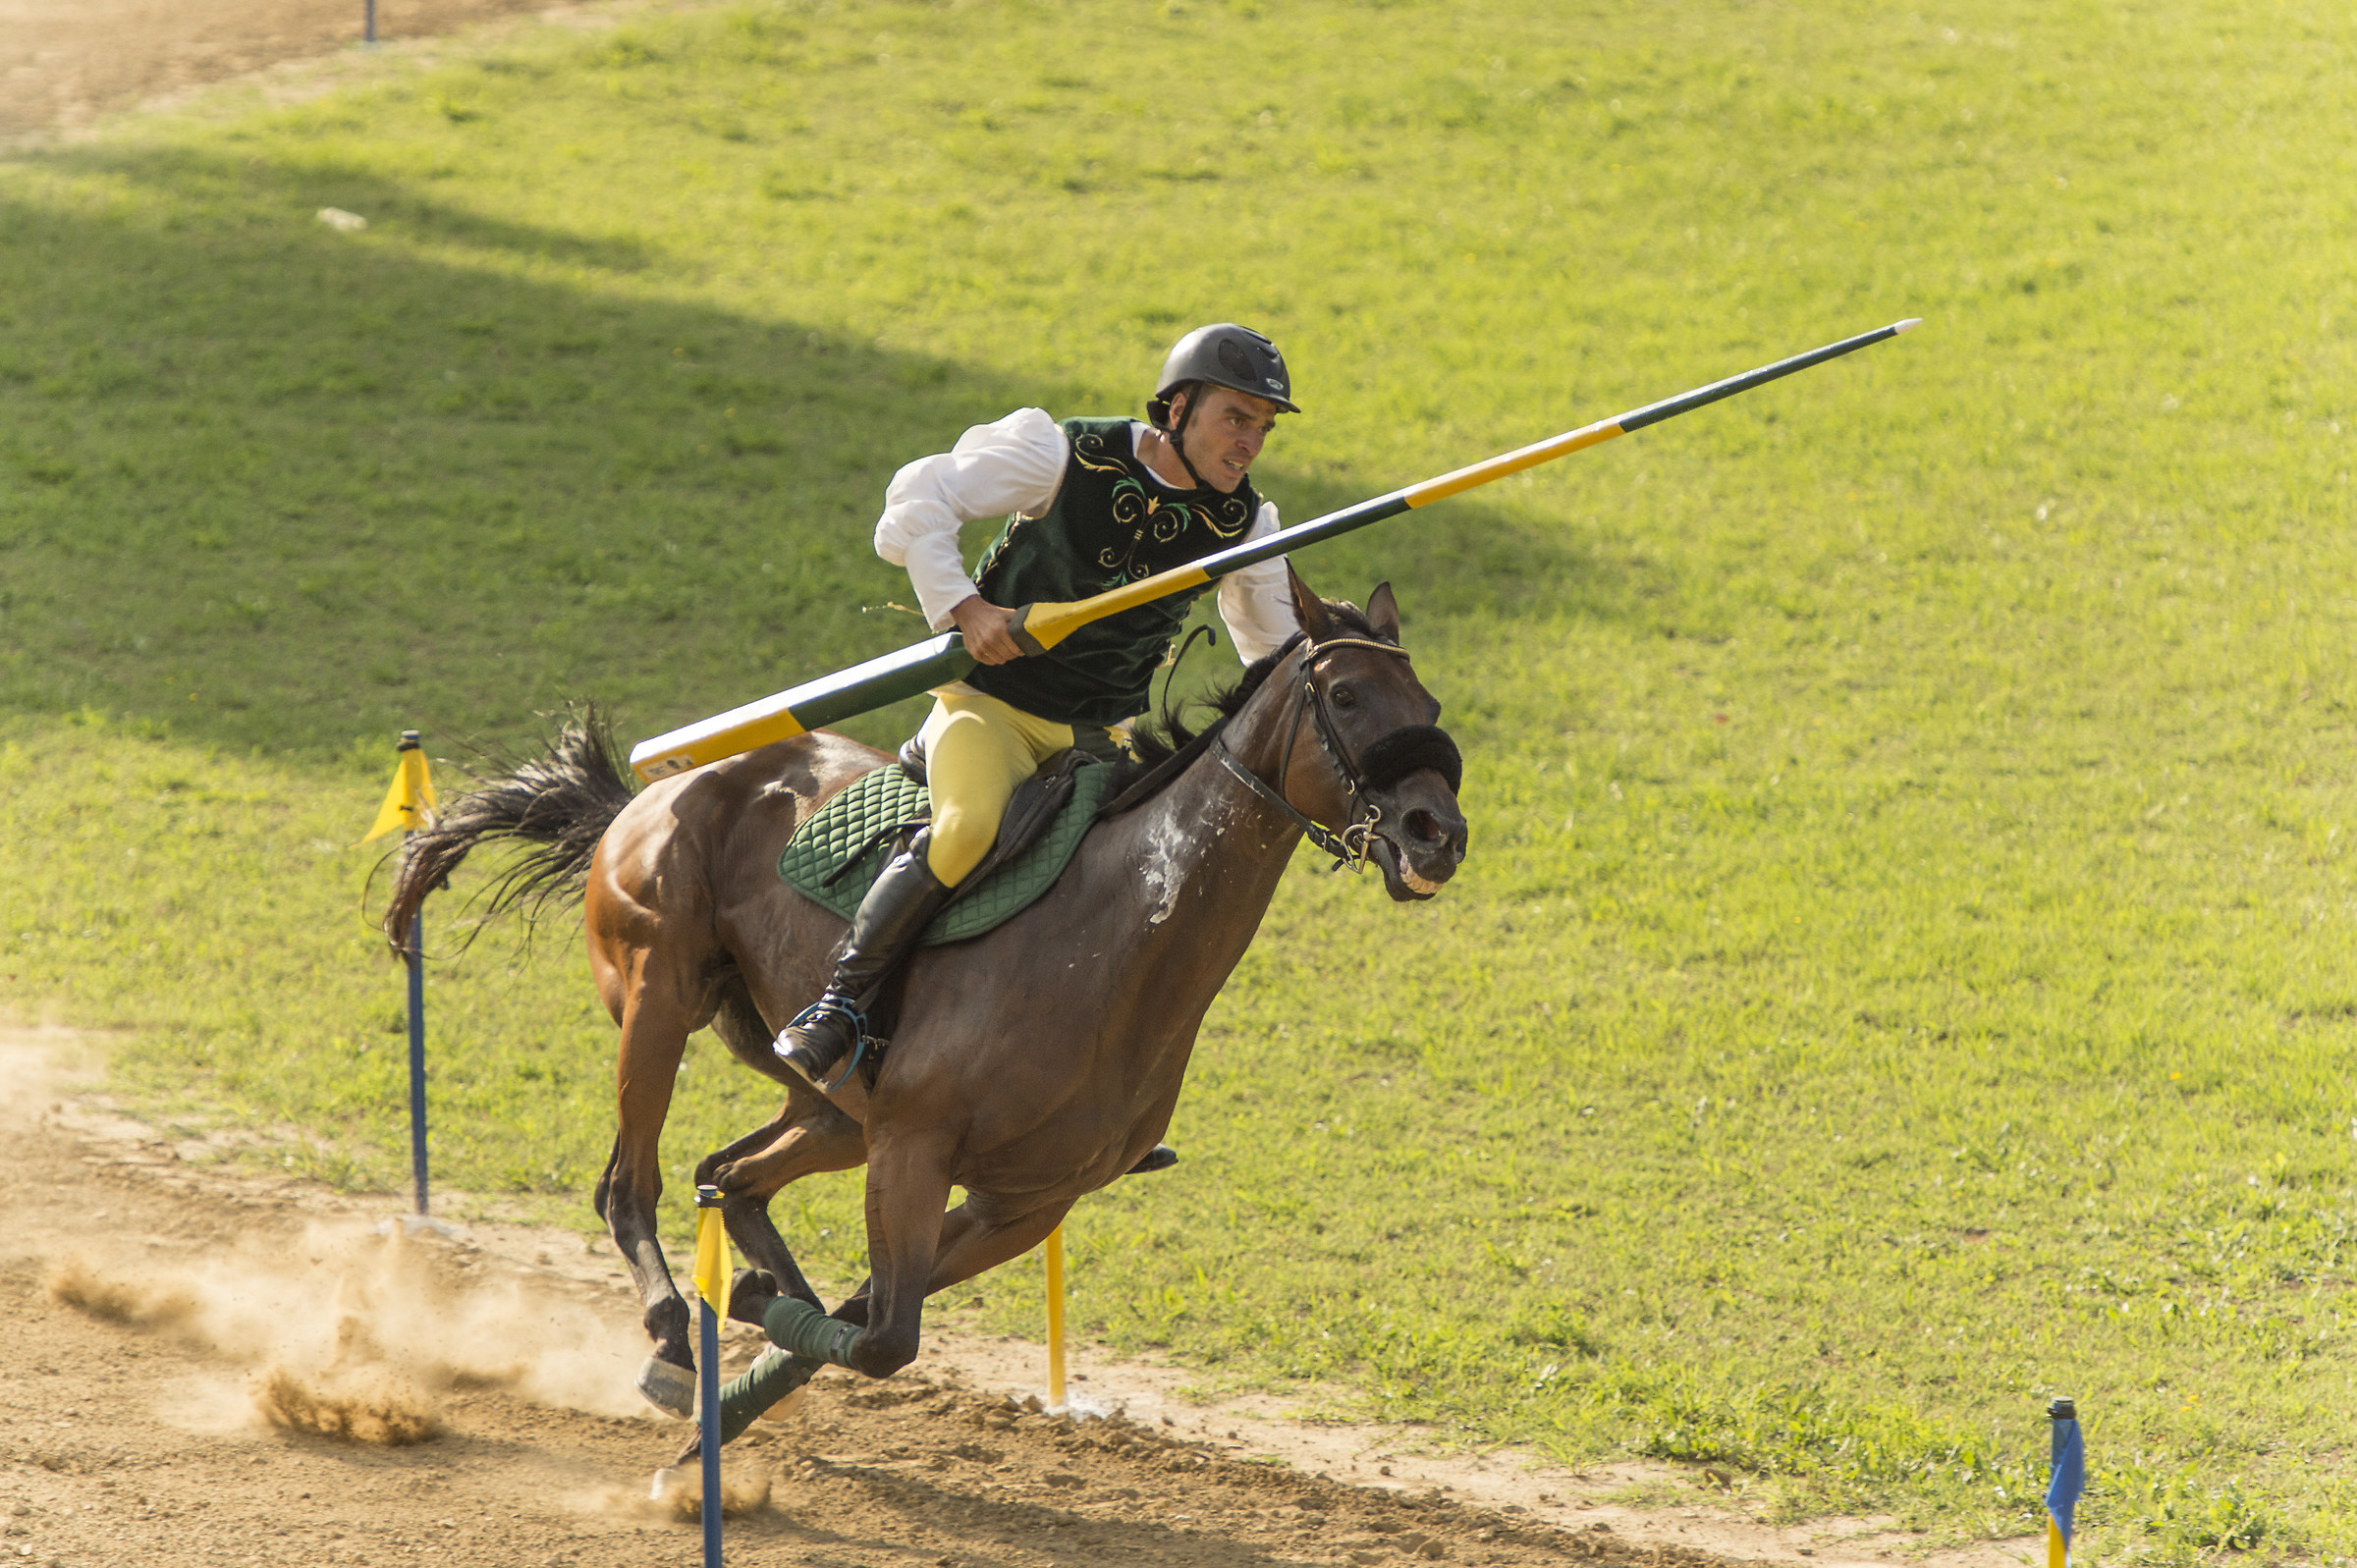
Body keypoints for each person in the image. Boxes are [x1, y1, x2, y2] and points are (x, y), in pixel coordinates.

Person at [774, 323, 1304, 1094]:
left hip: (1100, 737)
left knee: (1137, 885)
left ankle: (1091, 1090)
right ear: (1179, 408)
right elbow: (918, 497)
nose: (1250, 441)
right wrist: (963, 606)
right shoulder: (1063, 455)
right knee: (966, 831)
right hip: (990, 709)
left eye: (1263, 425)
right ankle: (841, 1005)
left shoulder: (1246, 524)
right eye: (1236, 417)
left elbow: (1272, 646)